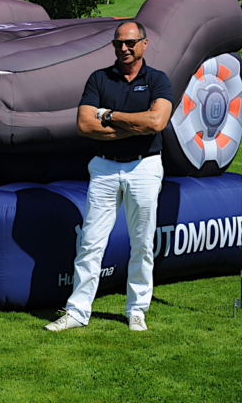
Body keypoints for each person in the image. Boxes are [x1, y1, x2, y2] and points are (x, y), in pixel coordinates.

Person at [45, 21, 172, 332]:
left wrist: (109, 115)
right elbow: (85, 125)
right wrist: (135, 126)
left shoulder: (157, 79)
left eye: (130, 43)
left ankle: (137, 309)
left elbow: (157, 122)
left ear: (144, 44)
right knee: (91, 241)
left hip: (144, 167)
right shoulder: (99, 78)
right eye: (118, 43)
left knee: (142, 243)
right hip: (104, 166)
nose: (124, 48)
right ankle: (77, 311)